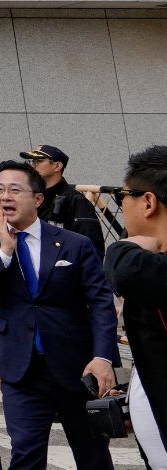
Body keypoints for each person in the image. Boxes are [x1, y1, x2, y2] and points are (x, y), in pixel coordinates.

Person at [0, 158, 120, 470]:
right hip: (20, 369)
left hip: (77, 368)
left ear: (38, 199)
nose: (4, 197)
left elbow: (101, 301)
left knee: (92, 455)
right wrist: (5, 251)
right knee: (25, 454)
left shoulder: (73, 244)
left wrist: (103, 357)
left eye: (14, 190)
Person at [107, 145, 167, 469]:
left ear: (148, 202)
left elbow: (124, 270)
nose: (121, 204)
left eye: (122, 196)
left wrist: (124, 246)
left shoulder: (146, 269)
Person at [0, 144, 106, 254]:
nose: (33, 165)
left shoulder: (75, 200)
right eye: (32, 161)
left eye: (39, 161)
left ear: (57, 166)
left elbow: (92, 249)